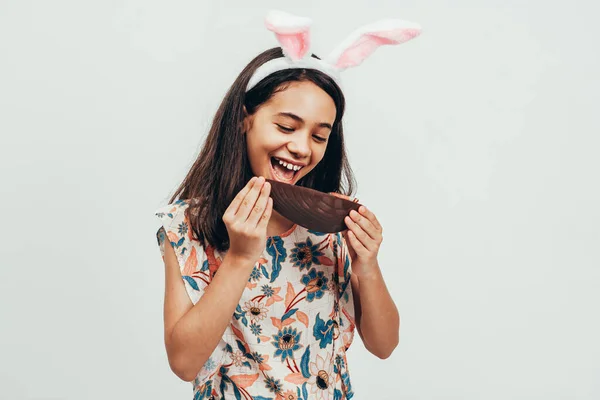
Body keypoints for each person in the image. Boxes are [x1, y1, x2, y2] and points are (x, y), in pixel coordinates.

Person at [154, 10, 421, 399]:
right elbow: (183, 362)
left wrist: (368, 261)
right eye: (286, 126)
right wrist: (242, 257)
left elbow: (384, 345)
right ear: (246, 118)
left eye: (319, 135)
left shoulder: (330, 221)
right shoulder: (185, 224)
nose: (300, 147)